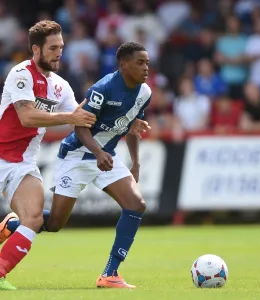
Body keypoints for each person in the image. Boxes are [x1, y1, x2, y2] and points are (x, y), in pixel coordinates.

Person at [0, 21, 147, 290]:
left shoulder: (60, 86)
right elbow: (26, 116)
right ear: (36, 49)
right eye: (53, 48)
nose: (59, 53)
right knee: (41, 220)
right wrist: (69, 116)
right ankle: (11, 225)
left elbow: (85, 119)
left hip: (22, 165)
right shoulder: (20, 74)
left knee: (34, 218)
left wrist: (128, 122)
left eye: (61, 47)